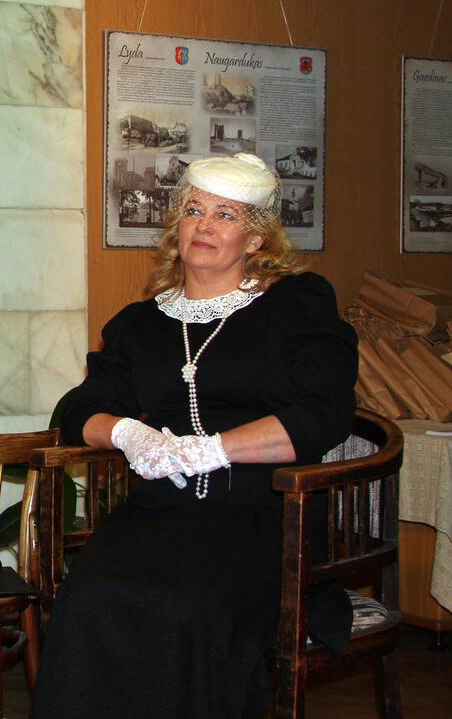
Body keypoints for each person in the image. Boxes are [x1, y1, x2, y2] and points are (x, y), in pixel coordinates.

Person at [31, 152, 357, 719]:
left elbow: (324, 414)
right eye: (193, 210)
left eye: (225, 215)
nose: (204, 225)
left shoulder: (296, 304)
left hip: (267, 511)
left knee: (186, 604)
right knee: (90, 595)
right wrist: (129, 434)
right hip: (161, 510)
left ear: (256, 239)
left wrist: (214, 449)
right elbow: (78, 410)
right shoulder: (141, 324)